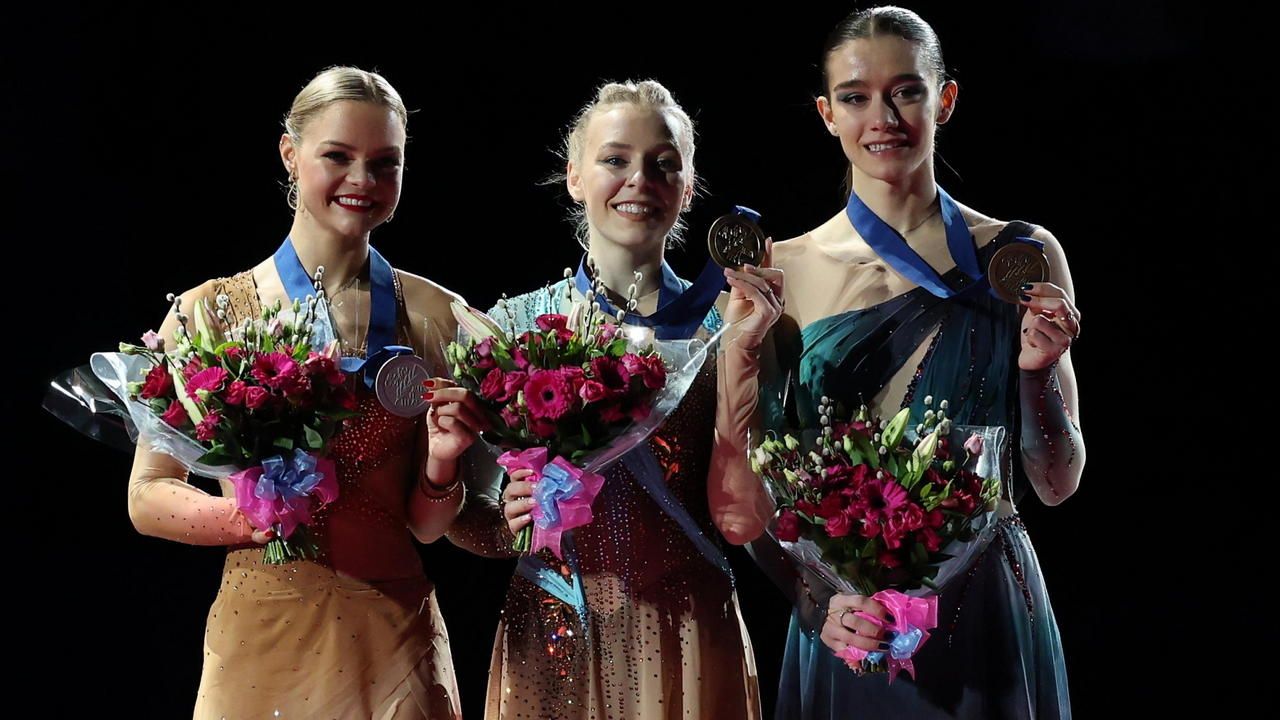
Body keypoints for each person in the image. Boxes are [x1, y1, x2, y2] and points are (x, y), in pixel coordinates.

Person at [752, 7, 1083, 718]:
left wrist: (1035, 374)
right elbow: (755, 491)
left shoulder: (1019, 255)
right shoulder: (781, 272)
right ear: (825, 113)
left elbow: (1056, 483)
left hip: (985, 608)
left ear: (946, 99)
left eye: (906, 90)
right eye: (855, 96)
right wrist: (820, 602)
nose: (883, 117)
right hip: (849, 617)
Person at [126, 66, 484, 719]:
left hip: (395, 636)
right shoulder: (208, 313)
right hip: (260, 643)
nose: (362, 181)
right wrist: (244, 517)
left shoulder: (437, 312)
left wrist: (442, 465)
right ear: (290, 153)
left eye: (384, 163)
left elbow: (430, 528)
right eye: (338, 157)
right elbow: (147, 498)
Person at [446, 79, 780, 719]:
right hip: (553, 625)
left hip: (689, 623)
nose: (639, 180)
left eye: (663, 165)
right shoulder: (514, 327)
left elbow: (746, 514)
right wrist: (507, 521)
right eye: (615, 160)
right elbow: (465, 518)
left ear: (687, 189)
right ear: (574, 176)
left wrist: (744, 348)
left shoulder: (729, 326)